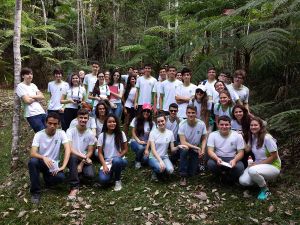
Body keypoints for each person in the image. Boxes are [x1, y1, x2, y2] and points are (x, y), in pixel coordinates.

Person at [28, 112, 70, 204]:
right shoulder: (39, 134)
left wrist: (63, 166)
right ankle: (35, 192)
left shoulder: (61, 133)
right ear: (45, 123)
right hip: (42, 162)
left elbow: (67, 149)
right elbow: (33, 153)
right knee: (33, 162)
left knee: (61, 178)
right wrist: (43, 157)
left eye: (55, 124)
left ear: (58, 124)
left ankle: (47, 179)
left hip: (53, 165)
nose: (52, 126)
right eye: (50, 123)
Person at [239, 117, 281, 200]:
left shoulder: (267, 138)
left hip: (273, 166)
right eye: (251, 125)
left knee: (252, 170)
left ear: (261, 126)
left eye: (256, 125)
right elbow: (247, 149)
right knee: (243, 181)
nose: (253, 127)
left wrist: (257, 164)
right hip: (258, 165)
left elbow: (274, 156)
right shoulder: (253, 136)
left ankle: (265, 190)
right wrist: (241, 137)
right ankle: (261, 181)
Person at [67, 109, 95, 199]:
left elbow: (90, 151)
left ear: (88, 119)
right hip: (73, 157)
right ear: (77, 118)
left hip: (84, 159)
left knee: (90, 176)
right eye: (81, 117)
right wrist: (84, 157)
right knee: (73, 157)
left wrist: (82, 164)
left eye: (85, 118)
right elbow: (70, 149)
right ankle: (74, 186)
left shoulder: (90, 133)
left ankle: (74, 173)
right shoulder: (70, 131)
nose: (83, 120)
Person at [207, 115, 245, 183]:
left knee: (240, 167)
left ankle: (229, 177)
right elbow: (210, 151)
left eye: (226, 124)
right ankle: (220, 175)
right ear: (218, 125)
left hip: (232, 158)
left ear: (230, 125)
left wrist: (235, 160)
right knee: (210, 164)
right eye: (221, 124)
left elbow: (241, 152)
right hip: (218, 157)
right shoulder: (213, 135)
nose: (224, 127)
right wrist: (216, 158)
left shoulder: (237, 135)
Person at [177, 105, 207, 186]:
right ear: (186, 114)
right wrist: (197, 148)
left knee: (192, 173)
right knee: (185, 149)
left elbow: (204, 138)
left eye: (193, 113)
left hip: (194, 148)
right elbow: (183, 142)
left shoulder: (201, 124)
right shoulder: (182, 124)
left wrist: (203, 150)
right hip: (185, 146)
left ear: (196, 113)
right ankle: (183, 176)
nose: (191, 115)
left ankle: (195, 165)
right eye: (189, 113)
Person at [97, 114, 128, 191]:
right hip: (107, 161)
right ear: (106, 124)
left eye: (114, 122)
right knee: (103, 180)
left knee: (116, 161)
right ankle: (112, 173)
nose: (112, 124)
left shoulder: (121, 134)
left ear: (116, 123)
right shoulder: (102, 136)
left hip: (120, 160)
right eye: (109, 122)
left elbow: (125, 149)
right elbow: (100, 153)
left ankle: (117, 180)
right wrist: (104, 165)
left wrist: (119, 156)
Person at [148, 114, 183, 182]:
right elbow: (153, 150)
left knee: (171, 170)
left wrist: (178, 146)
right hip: (154, 157)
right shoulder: (153, 133)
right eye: (158, 122)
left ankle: (162, 170)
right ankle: (154, 171)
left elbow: (172, 149)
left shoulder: (170, 133)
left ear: (165, 121)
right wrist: (160, 161)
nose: (161, 123)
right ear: (157, 123)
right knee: (161, 168)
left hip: (164, 156)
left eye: (162, 121)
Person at [16, 67, 46, 133]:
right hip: (32, 115)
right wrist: (37, 97)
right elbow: (27, 101)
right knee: (42, 134)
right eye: (27, 74)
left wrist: (30, 96)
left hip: (42, 112)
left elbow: (42, 96)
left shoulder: (33, 85)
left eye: (31, 74)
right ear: (23, 76)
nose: (30, 76)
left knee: (49, 132)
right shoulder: (20, 86)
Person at [130, 103, 155, 169]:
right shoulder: (136, 119)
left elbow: (151, 137)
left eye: (148, 111)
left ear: (150, 113)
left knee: (145, 160)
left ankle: (141, 156)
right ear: (142, 111)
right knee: (140, 148)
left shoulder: (152, 123)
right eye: (145, 110)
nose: (146, 112)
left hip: (146, 144)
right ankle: (137, 161)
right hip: (135, 141)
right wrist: (138, 140)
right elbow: (133, 132)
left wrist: (147, 147)